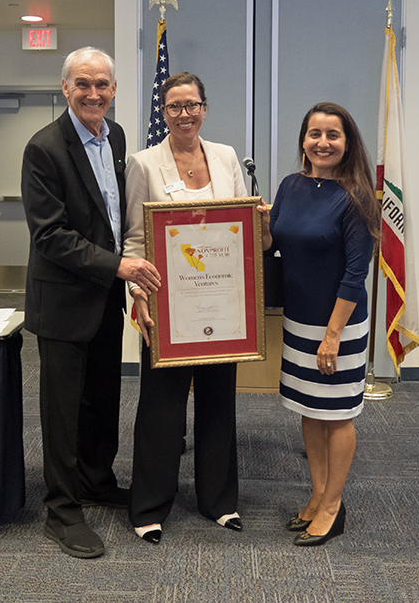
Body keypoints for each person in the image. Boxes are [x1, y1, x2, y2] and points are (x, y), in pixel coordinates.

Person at [21, 46, 161, 559]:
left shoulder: (116, 136)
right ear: (65, 88)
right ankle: (61, 510)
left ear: (115, 89)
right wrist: (119, 267)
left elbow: (113, 217)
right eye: (83, 84)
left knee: (102, 398)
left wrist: (126, 274)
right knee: (61, 412)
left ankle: (96, 481)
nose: (93, 93)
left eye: (102, 84)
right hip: (62, 304)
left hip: (104, 300)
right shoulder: (44, 148)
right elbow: (51, 236)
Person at [123, 72, 248, 544]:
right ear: (163, 111)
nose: (184, 114)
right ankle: (149, 506)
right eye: (174, 106)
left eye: (192, 104)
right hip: (166, 306)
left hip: (221, 303)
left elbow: (237, 226)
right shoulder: (143, 163)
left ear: (205, 106)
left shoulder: (226, 156)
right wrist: (140, 298)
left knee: (219, 402)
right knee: (161, 407)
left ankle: (219, 501)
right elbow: (136, 239)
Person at [260, 102, 380, 546]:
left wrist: (332, 336)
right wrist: (261, 225)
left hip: (339, 328)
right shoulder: (291, 185)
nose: (323, 142)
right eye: (315, 134)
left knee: (338, 415)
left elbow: (355, 273)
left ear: (347, 143)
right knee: (310, 412)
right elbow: (276, 244)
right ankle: (316, 495)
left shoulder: (357, 195)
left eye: (333, 135)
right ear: (303, 140)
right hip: (299, 321)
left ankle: (333, 504)